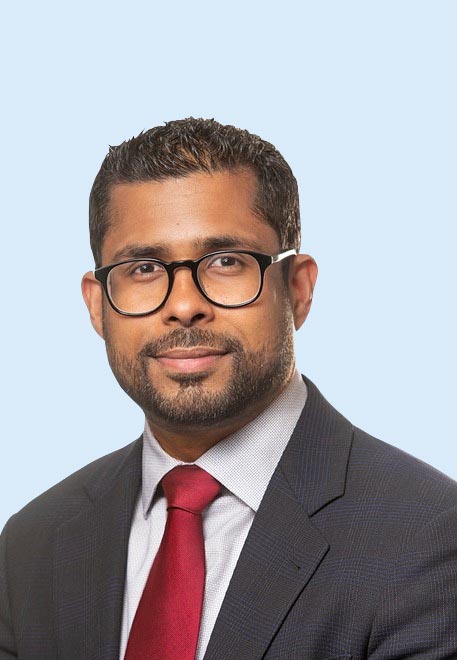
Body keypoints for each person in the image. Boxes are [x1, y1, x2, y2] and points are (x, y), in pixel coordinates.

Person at [1, 118, 456, 660]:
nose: (183, 305)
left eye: (225, 261)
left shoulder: (427, 539)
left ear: (298, 289)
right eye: (143, 268)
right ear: (98, 306)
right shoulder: (31, 546)